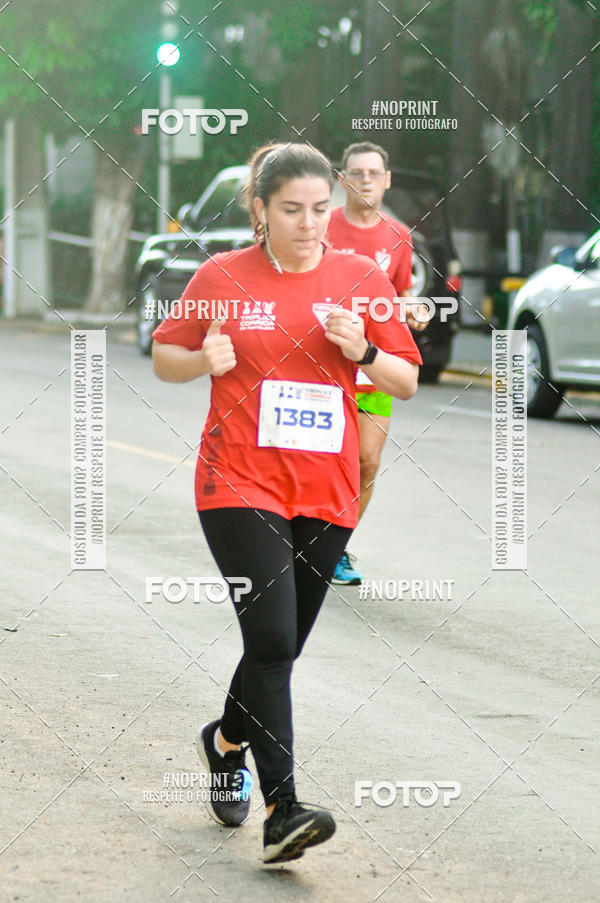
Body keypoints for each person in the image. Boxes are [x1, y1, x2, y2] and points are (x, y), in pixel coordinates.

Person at [151, 143, 422, 864]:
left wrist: (365, 352)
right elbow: (166, 354)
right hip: (238, 482)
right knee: (271, 639)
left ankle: (225, 741)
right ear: (260, 209)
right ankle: (283, 811)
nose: (309, 224)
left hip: (327, 489)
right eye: (292, 210)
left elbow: (404, 380)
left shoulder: (362, 278)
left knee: (280, 646)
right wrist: (201, 360)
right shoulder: (221, 275)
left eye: (320, 209)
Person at [327, 141, 428, 585]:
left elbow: (400, 295)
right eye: (357, 173)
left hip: (373, 365)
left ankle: (334, 548)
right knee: (322, 458)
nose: (365, 180)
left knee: (367, 461)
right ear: (342, 179)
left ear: (387, 180)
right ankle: (298, 536)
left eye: (374, 173)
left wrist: (414, 309)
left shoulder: (399, 236)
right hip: (324, 364)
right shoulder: (322, 226)